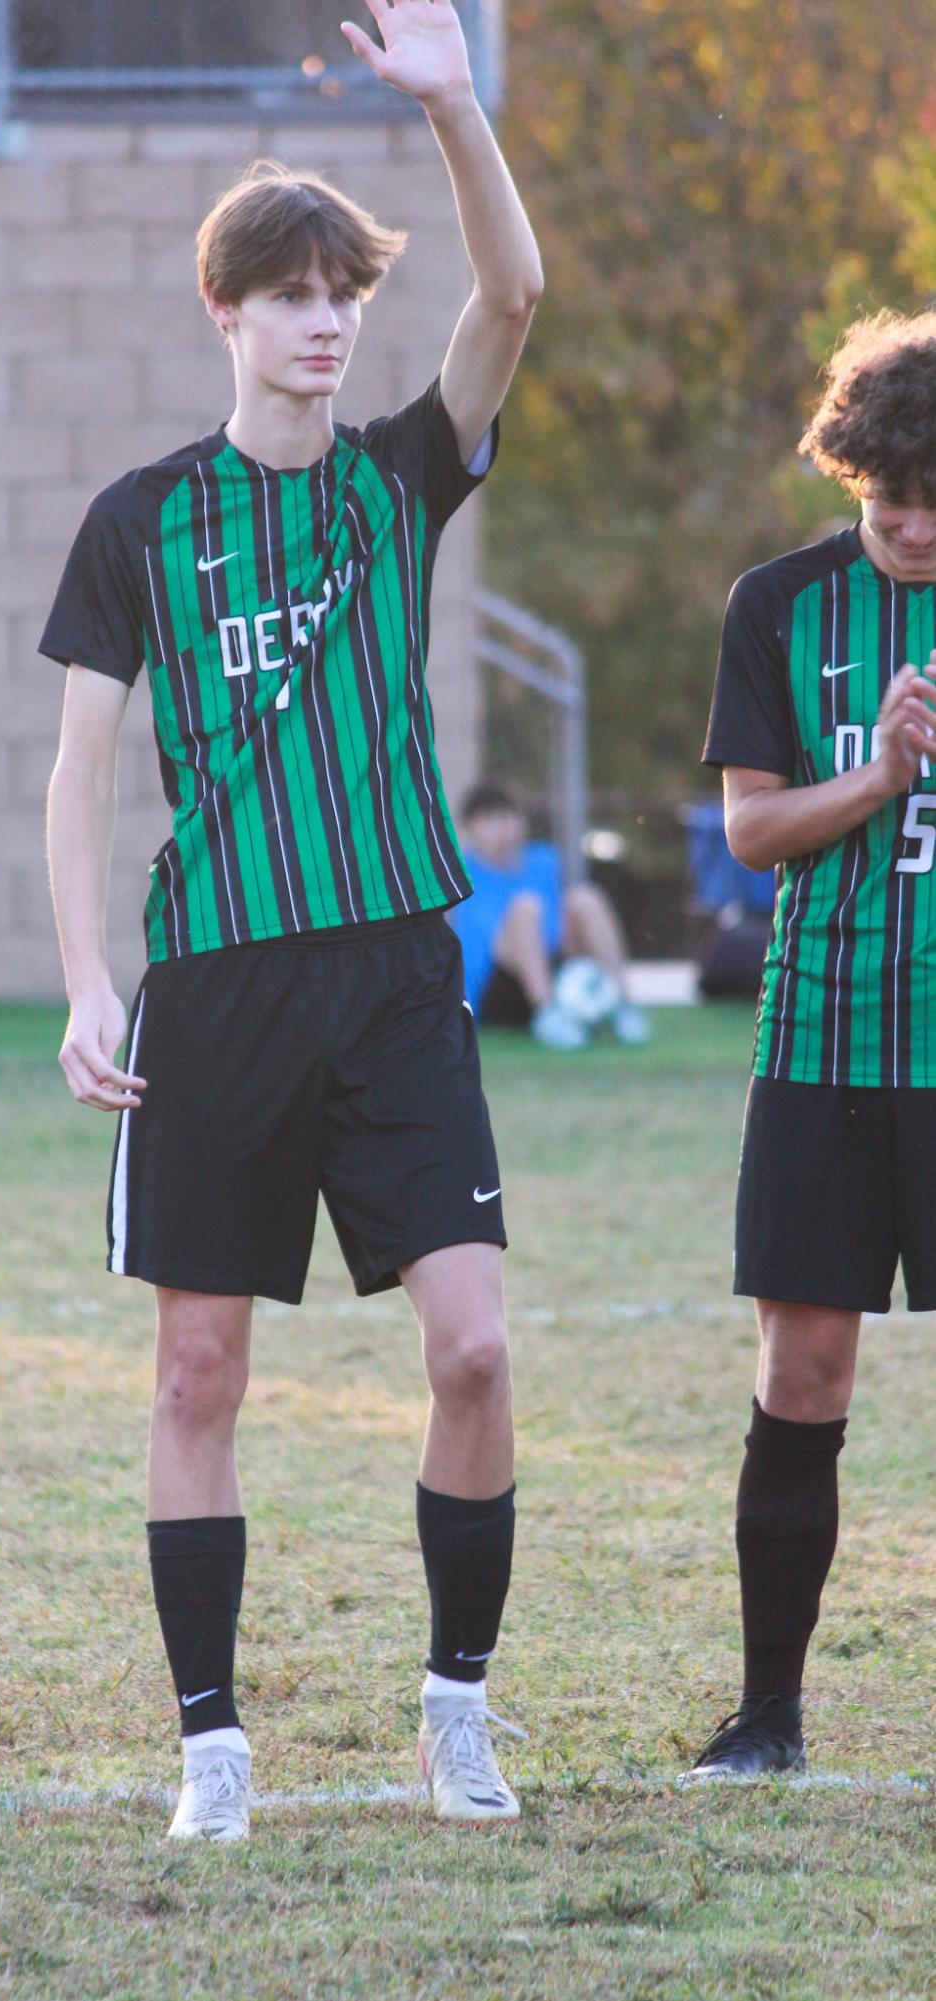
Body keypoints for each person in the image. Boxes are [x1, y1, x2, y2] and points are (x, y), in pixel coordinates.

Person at [43, 0, 542, 1838]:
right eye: (289, 293)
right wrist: (90, 978)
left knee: (475, 1346)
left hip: (398, 970)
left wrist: (453, 114)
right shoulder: (139, 522)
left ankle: (452, 1711)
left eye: (343, 291)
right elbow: (79, 771)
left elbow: (509, 295)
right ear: (225, 313)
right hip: (218, 990)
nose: (325, 319)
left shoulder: (399, 478)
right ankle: (211, 1752)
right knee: (197, 1367)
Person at [685, 307, 936, 1781]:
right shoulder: (776, 605)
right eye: (889, 503)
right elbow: (750, 827)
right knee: (802, 1378)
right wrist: (885, 769)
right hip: (822, 1044)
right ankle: (764, 1714)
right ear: (850, 474)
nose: (911, 528)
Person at [449, 780, 650, 1048]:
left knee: (585, 899)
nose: (502, 828)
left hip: (551, 967)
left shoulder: (544, 861)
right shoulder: (461, 872)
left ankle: (622, 1006)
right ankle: (548, 1015)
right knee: (525, 907)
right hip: (498, 988)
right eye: (489, 819)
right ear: (471, 828)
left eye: (508, 816)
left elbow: (557, 929)